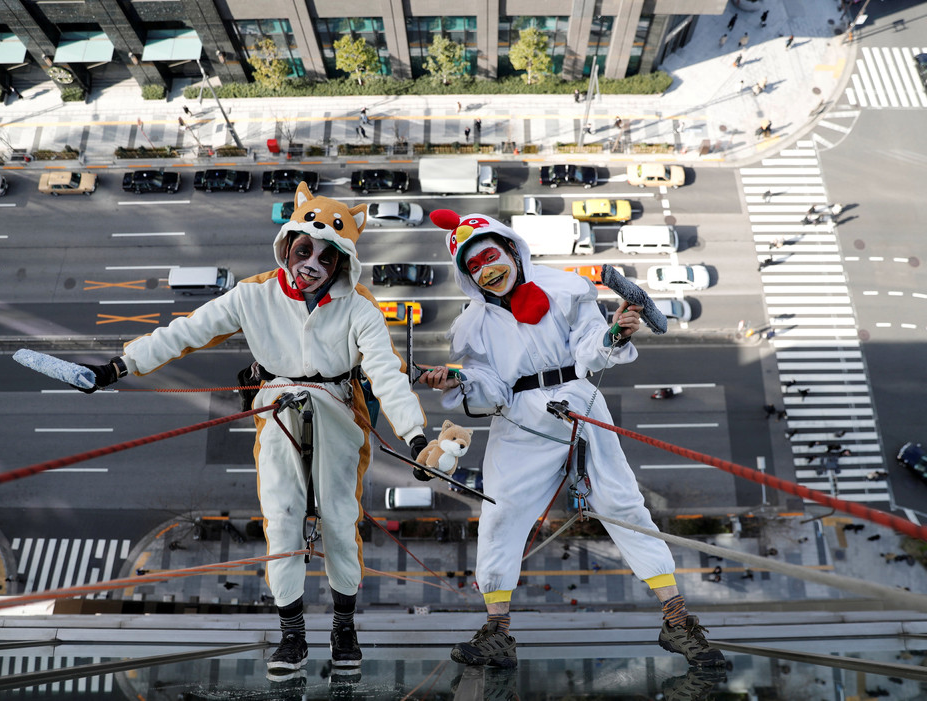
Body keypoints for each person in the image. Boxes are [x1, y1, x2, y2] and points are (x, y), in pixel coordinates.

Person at [71, 182, 429, 676]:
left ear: (343, 264)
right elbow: (185, 332)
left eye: (329, 259)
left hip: (338, 410)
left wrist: (416, 438)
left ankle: (344, 627)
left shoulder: (359, 306)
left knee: (341, 522)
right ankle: (292, 637)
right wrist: (118, 366)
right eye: (305, 250)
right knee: (280, 517)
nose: (313, 266)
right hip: (277, 407)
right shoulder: (252, 295)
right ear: (287, 245)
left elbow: (386, 373)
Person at [419, 210, 724, 670]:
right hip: (518, 419)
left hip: (578, 401)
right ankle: (497, 632)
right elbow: (489, 387)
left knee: (623, 504)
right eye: (475, 266)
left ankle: (677, 620)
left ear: (510, 249)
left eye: (490, 255)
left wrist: (612, 333)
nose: (487, 269)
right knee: (499, 515)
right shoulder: (468, 327)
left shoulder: (567, 288)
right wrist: (454, 382)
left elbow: (588, 346)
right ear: (468, 277)